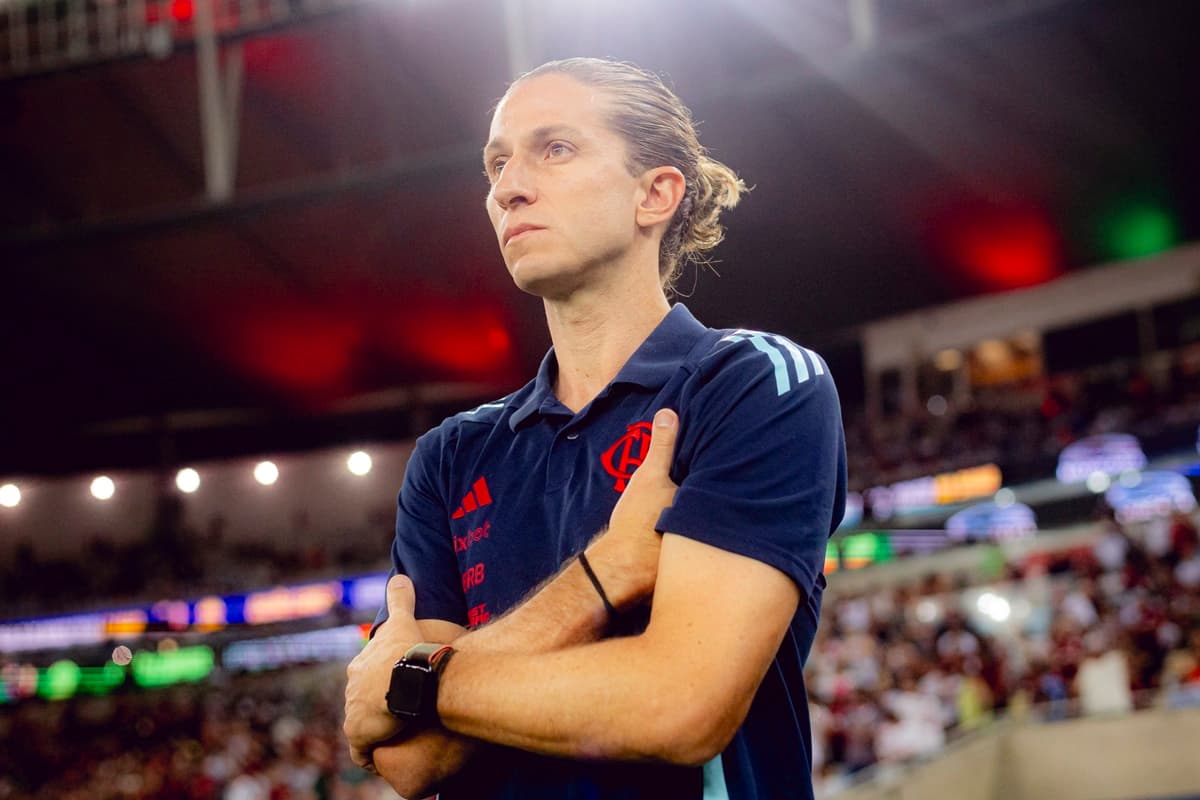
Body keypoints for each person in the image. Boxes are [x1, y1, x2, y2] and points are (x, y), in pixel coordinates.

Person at [343, 57, 847, 800]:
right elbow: (411, 763)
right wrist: (607, 573)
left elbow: (680, 706)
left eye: (555, 149)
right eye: (496, 163)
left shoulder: (753, 382)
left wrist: (413, 682)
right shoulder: (451, 457)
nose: (509, 186)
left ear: (655, 194)